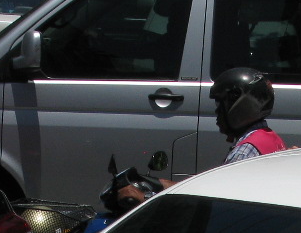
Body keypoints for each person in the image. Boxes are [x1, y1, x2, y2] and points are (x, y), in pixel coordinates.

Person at [116, 67, 284, 208]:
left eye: (221, 105)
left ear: (241, 106)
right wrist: (158, 184)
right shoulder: (269, 139)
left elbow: (216, 203)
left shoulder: (244, 153)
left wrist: (145, 199)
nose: (216, 113)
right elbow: (208, 187)